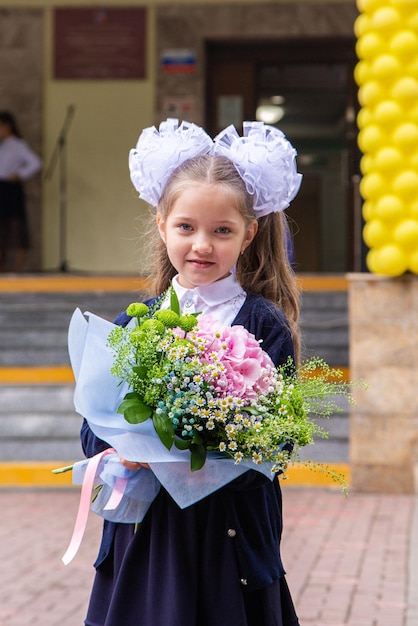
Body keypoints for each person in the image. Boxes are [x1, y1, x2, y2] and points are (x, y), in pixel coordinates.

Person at [81, 119, 302, 626]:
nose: (202, 244)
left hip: (230, 532)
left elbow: (280, 442)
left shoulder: (262, 323)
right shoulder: (135, 324)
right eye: (187, 227)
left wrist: (205, 451)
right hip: (150, 531)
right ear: (162, 225)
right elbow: (92, 427)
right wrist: (125, 451)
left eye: (221, 230)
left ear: (248, 234)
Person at [0, 111, 42, 272]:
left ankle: (18, 268)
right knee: (2, 229)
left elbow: (35, 163)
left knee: (17, 227)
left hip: (11, 188)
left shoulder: (18, 145)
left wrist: (19, 174)